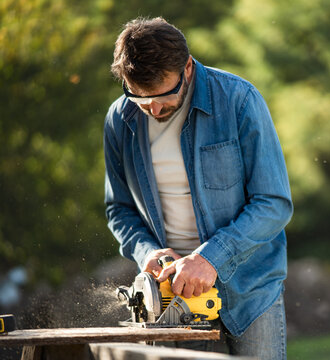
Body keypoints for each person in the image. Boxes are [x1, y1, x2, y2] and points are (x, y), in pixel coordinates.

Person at [103, 17, 293, 359]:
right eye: (140, 99)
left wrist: (210, 258)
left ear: (187, 68)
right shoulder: (120, 120)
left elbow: (273, 202)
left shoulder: (239, 100)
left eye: (163, 96)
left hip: (250, 291)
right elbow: (119, 209)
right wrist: (147, 252)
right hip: (168, 302)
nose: (153, 109)